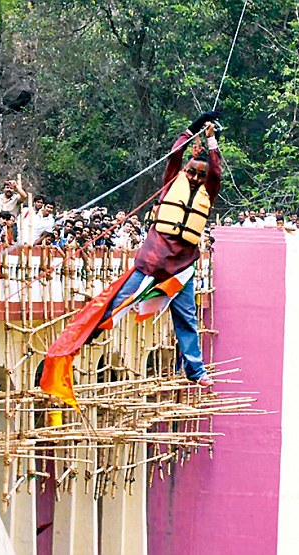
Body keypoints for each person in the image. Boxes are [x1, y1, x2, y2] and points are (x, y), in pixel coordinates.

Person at [41, 110, 222, 409]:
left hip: (181, 268)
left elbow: (216, 172)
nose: (194, 177)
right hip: (153, 261)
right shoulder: (171, 181)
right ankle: (83, 338)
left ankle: (196, 371)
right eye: (191, 172)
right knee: (118, 303)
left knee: (187, 319)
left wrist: (212, 139)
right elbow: (175, 154)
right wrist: (193, 128)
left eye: (199, 175)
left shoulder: (208, 191)